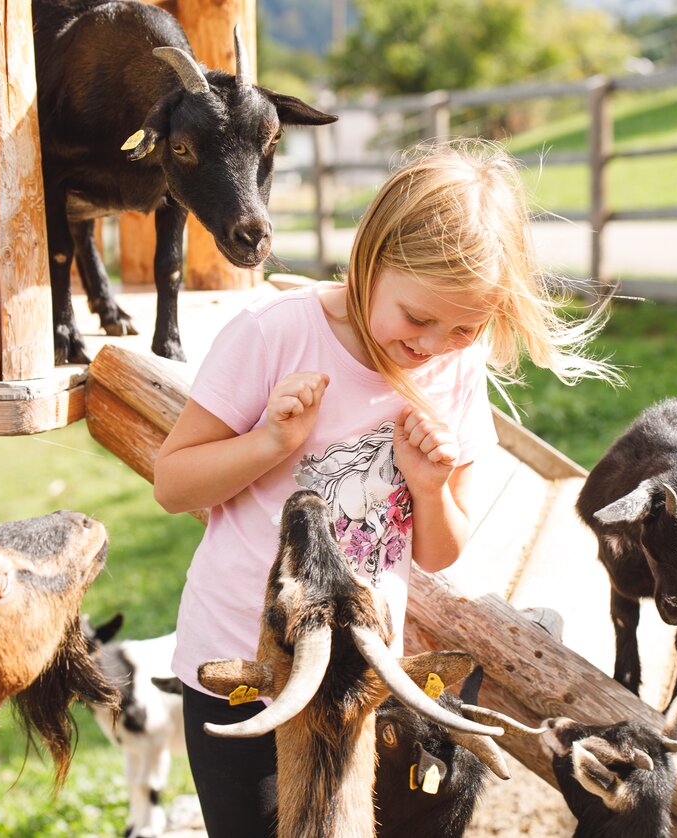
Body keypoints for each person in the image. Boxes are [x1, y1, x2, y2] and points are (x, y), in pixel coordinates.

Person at [151, 139, 618, 837]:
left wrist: (429, 489)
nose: (432, 343)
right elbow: (172, 483)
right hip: (242, 667)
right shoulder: (273, 335)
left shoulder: (454, 370)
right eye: (418, 317)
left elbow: (438, 552)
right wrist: (269, 443)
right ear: (371, 260)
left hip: (365, 678)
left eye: (464, 327)